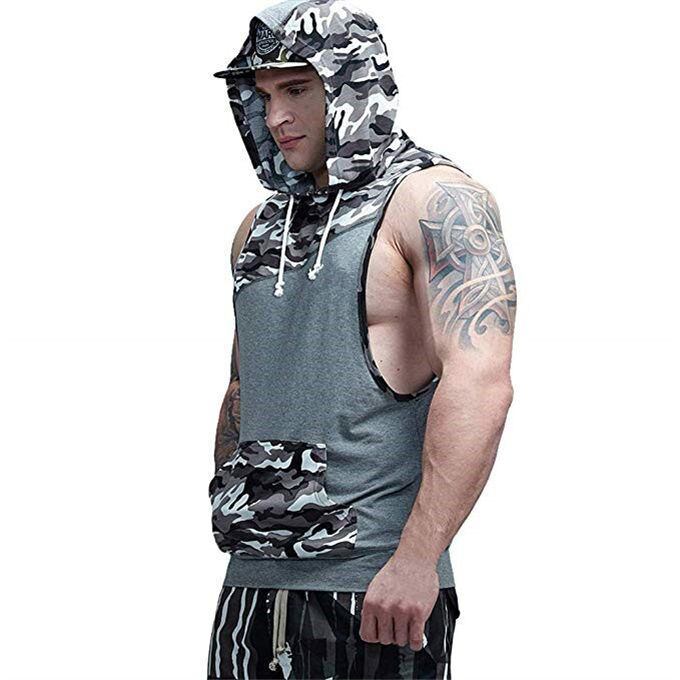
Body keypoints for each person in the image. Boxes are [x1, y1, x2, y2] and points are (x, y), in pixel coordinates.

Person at [207, 1, 516, 677]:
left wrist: (417, 560)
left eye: (297, 89)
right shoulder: (259, 228)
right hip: (251, 583)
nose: (275, 117)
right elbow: (243, 385)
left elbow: (481, 383)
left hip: (374, 587)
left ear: (351, 85)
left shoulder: (435, 202)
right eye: (262, 95)